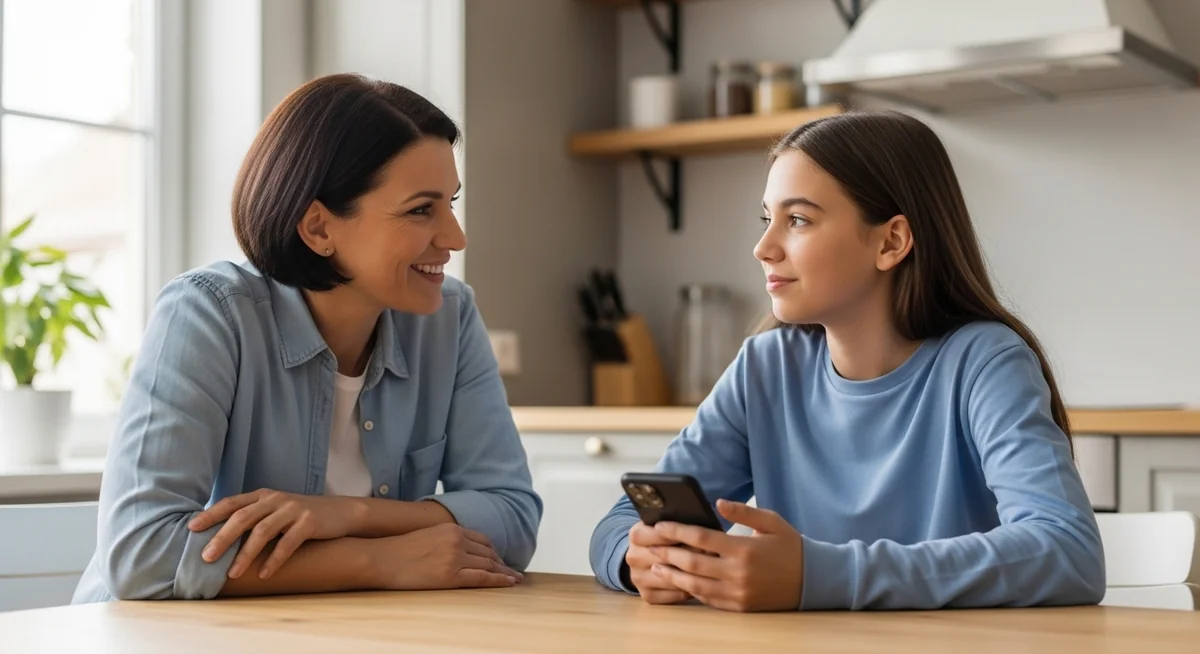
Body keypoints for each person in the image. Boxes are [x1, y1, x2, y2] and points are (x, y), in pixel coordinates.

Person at [589, 110, 1105, 612]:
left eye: (797, 220)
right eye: (768, 219)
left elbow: (1067, 550)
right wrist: (641, 561)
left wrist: (817, 576)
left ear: (892, 241)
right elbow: (621, 524)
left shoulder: (984, 362)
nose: (763, 248)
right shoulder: (765, 367)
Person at [73, 74, 542, 602]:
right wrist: (377, 559)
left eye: (450, 203)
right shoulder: (209, 314)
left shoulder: (449, 319)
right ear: (318, 228)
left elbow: (513, 516)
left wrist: (348, 514)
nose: (455, 237)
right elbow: (142, 555)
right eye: (420, 209)